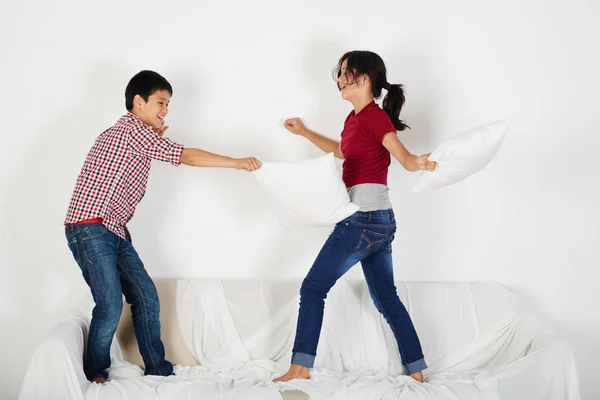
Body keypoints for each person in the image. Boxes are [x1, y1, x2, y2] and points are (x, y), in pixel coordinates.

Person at [64, 70, 261, 384]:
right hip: (91, 227)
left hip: (113, 230)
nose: (165, 110)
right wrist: (236, 162)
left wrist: (155, 136)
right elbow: (187, 157)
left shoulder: (138, 135)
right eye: (161, 102)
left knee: (146, 296)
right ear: (138, 102)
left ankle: (159, 369)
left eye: (168, 104)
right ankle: (96, 373)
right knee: (111, 303)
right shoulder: (132, 130)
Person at [274, 51, 435, 383]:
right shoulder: (355, 119)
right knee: (386, 298)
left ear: (366, 78)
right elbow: (343, 152)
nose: (339, 79)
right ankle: (416, 371)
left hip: (361, 219)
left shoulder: (375, 117)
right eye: (339, 73)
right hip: (380, 221)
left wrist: (420, 162)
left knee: (313, 287)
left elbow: (403, 158)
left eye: (346, 72)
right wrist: (305, 132)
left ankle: (300, 368)